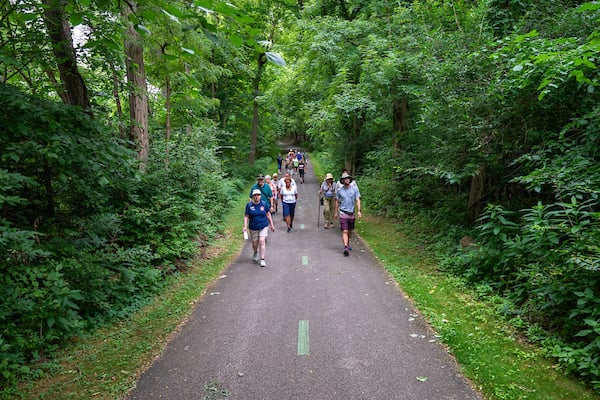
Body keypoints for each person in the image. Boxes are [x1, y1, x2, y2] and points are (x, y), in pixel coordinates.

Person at [244, 189, 275, 267]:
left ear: (260, 196)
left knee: (261, 241)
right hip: (253, 227)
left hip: (263, 225)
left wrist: (271, 224)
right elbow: (246, 216)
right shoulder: (249, 205)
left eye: (258, 195)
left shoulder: (264, 204)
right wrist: (245, 226)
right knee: (255, 243)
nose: (256, 197)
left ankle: (262, 259)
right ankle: (255, 252)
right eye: (255, 195)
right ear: (253, 196)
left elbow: (268, 214)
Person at [334, 172, 362, 256]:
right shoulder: (339, 190)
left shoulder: (354, 189)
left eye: (348, 178)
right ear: (342, 180)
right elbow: (337, 201)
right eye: (345, 179)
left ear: (350, 180)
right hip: (343, 213)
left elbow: (357, 200)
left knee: (350, 231)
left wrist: (359, 211)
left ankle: (348, 242)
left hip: (351, 213)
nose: (346, 180)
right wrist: (336, 211)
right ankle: (346, 247)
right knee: (345, 230)